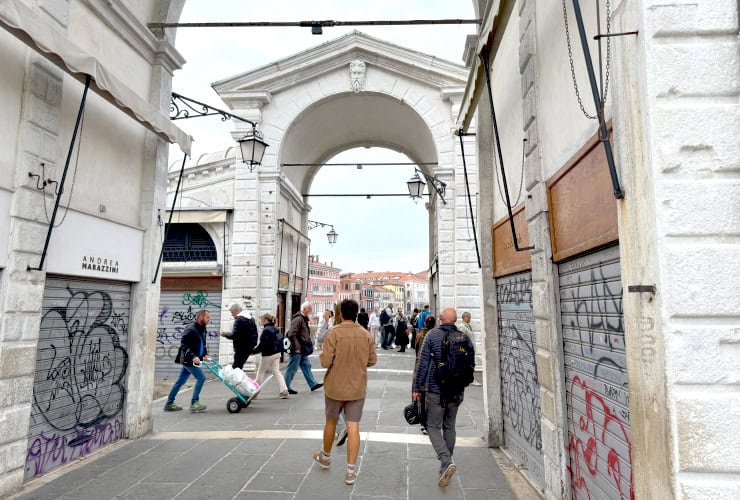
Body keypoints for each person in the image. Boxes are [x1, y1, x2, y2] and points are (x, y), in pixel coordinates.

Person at [313, 299, 377, 485]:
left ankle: (325, 457)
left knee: (331, 422)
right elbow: (372, 360)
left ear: (340, 314)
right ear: (356, 313)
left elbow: (325, 362)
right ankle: (350, 471)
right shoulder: (365, 334)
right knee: (353, 427)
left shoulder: (334, 334)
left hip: (335, 386)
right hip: (357, 387)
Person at [413, 307, 475, 487]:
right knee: (449, 426)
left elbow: (423, 362)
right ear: (455, 320)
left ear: (441, 319)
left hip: (435, 389)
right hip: (457, 390)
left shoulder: (432, 335)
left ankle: (446, 461)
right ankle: (445, 465)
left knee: (432, 426)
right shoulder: (464, 337)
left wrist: (417, 388)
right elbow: (470, 363)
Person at [165, 309, 211, 413]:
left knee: (180, 381)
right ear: (200, 318)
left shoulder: (203, 329)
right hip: (188, 360)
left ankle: (169, 404)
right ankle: (194, 403)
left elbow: (202, 343)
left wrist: (205, 354)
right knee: (201, 378)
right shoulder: (191, 329)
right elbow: (184, 346)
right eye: (207, 317)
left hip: (194, 359)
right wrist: (193, 356)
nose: (209, 320)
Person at [285, 302, 323, 394]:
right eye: (309, 309)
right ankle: (285, 387)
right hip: (298, 349)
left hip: (302, 349)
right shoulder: (298, 319)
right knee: (292, 368)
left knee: (306, 366)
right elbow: (291, 334)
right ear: (304, 309)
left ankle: (313, 384)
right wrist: (297, 347)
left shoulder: (302, 319)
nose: (311, 310)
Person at [253, 313, 289, 399]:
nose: (260, 321)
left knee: (260, 373)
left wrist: (253, 352)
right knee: (277, 372)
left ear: (265, 320)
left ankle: (253, 392)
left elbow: (263, 344)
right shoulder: (275, 328)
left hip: (268, 354)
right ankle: (284, 391)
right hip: (277, 353)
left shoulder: (266, 330)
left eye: (261, 320)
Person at [413, 315, 436, 434]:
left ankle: (423, 422)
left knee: (420, 395)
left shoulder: (420, 335)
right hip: (432, 368)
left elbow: (415, 349)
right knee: (432, 397)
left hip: (419, 366)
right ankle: (430, 423)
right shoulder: (436, 336)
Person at [220, 304, 258, 369]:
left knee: (236, 368)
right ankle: (238, 378)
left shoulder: (239, 320)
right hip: (248, 348)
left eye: (232, 312)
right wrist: (252, 346)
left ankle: (236, 379)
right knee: (239, 367)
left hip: (241, 348)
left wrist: (225, 334)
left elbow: (234, 335)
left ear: (236, 310)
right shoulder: (251, 319)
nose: (232, 314)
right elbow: (255, 334)